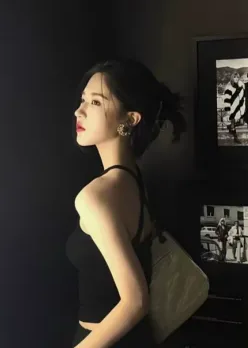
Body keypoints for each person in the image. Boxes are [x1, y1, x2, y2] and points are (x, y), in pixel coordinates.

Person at [65, 58, 186, 347]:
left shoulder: (96, 196)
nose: (79, 111)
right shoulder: (134, 181)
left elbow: (135, 301)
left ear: (130, 119)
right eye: (83, 99)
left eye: (96, 102)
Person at [222, 71, 246, 144]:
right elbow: (226, 98)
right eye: (235, 77)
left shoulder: (241, 85)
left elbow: (243, 96)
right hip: (232, 107)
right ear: (232, 78)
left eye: (237, 77)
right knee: (233, 123)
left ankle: (230, 127)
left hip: (240, 107)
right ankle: (235, 138)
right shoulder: (229, 86)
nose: (236, 78)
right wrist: (227, 109)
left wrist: (243, 105)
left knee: (242, 122)